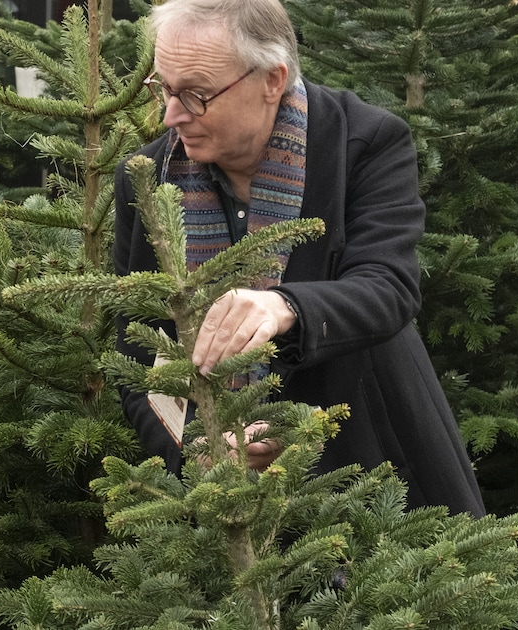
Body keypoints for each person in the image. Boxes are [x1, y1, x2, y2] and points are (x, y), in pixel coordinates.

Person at [113, 0, 485, 516]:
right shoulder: (148, 176)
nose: (172, 116)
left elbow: (390, 288)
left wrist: (284, 307)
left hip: (375, 467)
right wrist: (188, 456)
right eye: (165, 89)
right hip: (221, 506)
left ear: (272, 80)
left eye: (196, 95)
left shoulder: (364, 141)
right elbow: (136, 352)